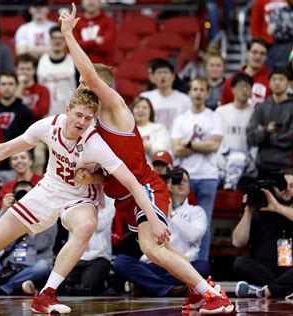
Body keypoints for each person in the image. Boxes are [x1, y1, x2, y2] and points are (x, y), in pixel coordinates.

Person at [0, 88, 176, 313]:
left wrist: (153, 219)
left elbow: (133, 182)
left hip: (80, 198)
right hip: (48, 189)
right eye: (78, 115)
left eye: (88, 118)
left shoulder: (95, 144)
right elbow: (5, 150)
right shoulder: (48, 126)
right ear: (67, 111)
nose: (81, 122)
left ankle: (47, 294)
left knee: (86, 227)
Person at [59, 4, 233, 314]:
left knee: (151, 249)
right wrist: (90, 174)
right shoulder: (93, 123)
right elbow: (111, 172)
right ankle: (199, 288)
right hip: (126, 197)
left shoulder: (115, 107)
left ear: (99, 87)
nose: (81, 89)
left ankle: (213, 295)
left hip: (145, 188)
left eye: (86, 85)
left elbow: (88, 72)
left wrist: (69, 36)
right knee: (161, 249)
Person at [114, 167, 210, 297]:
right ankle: (169, 288)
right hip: (156, 264)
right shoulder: (155, 204)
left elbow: (193, 236)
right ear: (169, 184)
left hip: (185, 262)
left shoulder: (196, 211)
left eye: (185, 181)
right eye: (177, 180)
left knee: (203, 266)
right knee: (121, 262)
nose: (181, 183)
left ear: (189, 187)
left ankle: (149, 286)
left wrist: (172, 214)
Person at [232, 171, 293, 299]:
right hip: (265, 270)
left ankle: (263, 291)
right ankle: (292, 290)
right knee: (240, 263)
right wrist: (247, 211)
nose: (287, 189)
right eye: (283, 185)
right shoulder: (259, 213)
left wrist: (278, 208)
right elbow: (237, 242)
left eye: (292, 186)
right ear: (273, 189)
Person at [171, 77, 223, 260]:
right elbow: (176, 149)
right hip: (185, 176)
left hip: (208, 176)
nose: (198, 93)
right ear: (189, 93)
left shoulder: (214, 116)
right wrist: (201, 144)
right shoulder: (181, 119)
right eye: (195, 89)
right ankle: (181, 261)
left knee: (204, 224)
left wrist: (189, 143)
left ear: (207, 93)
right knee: (179, 220)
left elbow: (214, 146)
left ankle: (201, 265)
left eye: (202, 89)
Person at [0, 180, 57, 295]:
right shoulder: (11, 216)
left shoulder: (48, 216)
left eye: (29, 195)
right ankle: (19, 287)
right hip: (9, 269)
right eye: (21, 195)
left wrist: (33, 216)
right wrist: (4, 211)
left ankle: (4, 288)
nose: (25, 199)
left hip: (32, 268)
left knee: (43, 267)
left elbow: (41, 244)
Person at [247, 68, 293, 177]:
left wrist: (266, 136)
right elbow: (251, 138)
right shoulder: (261, 107)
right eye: (274, 79)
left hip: (287, 167)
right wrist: (266, 130)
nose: (277, 82)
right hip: (263, 166)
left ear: (288, 82)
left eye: (281, 79)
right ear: (269, 83)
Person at [59, 196, 115, 296]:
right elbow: (68, 224)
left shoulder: (109, 201)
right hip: (75, 256)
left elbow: (99, 225)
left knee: (88, 289)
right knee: (61, 287)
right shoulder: (74, 197)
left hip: (99, 257)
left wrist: (88, 205)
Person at [0, 71, 35, 182]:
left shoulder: (25, 112)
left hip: (17, 167)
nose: (7, 87)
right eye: (3, 84)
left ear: (16, 86)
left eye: (10, 84)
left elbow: (32, 139)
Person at [215, 73, 255, 189]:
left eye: (247, 87)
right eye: (241, 86)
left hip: (245, 163)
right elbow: (216, 139)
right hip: (222, 161)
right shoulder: (221, 112)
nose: (244, 90)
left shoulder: (254, 113)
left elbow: (255, 143)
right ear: (233, 89)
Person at [139, 59, 192, 133]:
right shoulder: (145, 98)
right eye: (159, 73)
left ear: (173, 76)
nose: (162, 76)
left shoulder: (185, 100)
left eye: (166, 72)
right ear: (153, 77)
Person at [37, 26, 77, 117]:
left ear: (66, 41)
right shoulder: (40, 62)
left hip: (69, 113)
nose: (57, 41)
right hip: (45, 115)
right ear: (49, 40)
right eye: (54, 38)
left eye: (61, 38)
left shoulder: (74, 62)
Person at [220, 38, 271, 107]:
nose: (258, 56)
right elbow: (224, 110)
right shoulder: (231, 81)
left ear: (266, 56)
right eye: (254, 52)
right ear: (247, 53)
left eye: (262, 54)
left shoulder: (272, 80)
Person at [73, 0, 116, 66]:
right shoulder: (76, 21)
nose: (91, 2)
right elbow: (74, 47)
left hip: (103, 67)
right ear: (82, 2)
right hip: (80, 67)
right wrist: (95, 42)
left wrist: (84, 45)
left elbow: (106, 48)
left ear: (100, 2)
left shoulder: (109, 21)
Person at [131, 96, 171, 165]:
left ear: (150, 111)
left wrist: (145, 146)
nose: (140, 110)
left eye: (144, 108)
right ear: (132, 110)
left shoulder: (159, 128)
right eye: (137, 107)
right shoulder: (127, 130)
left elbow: (162, 151)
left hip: (153, 170)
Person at [15, 53, 51, 121]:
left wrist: (20, 113)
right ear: (16, 70)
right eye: (22, 69)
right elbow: (11, 109)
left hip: (36, 126)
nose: (25, 72)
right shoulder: (11, 88)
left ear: (34, 70)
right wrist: (21, 84)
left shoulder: (43, 90)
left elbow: (42, 111)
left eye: (28, 69)